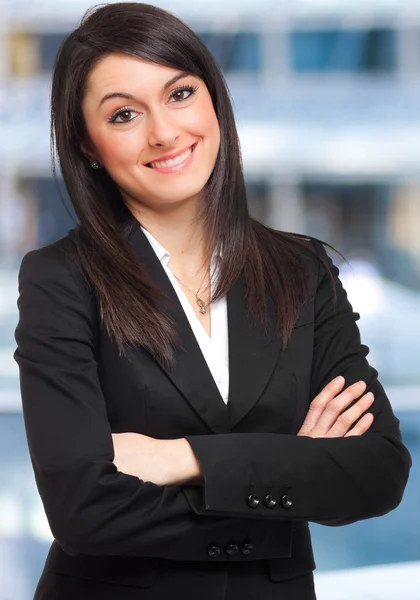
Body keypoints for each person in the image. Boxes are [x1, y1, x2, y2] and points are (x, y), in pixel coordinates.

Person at [14, 3, 411, 599]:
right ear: (87, 146)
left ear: (214, 99)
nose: (165, 132)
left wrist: (185, 459)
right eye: (124, 114)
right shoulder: (60, 281)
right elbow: (83, 510)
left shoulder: (303, 272)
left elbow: (377, 473)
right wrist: (288, 472)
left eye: (180, 94)